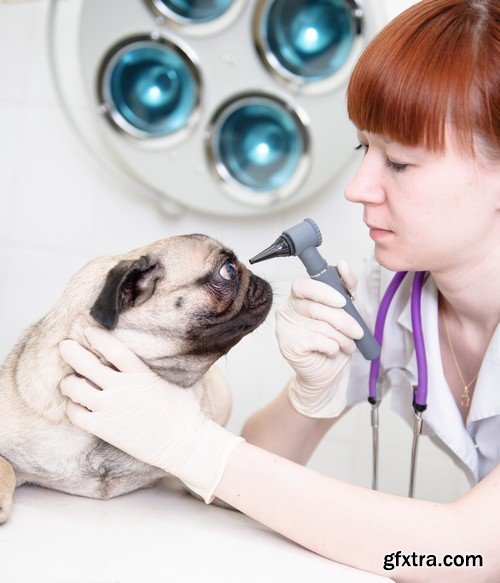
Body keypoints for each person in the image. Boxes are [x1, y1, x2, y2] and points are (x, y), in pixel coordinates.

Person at [58, 0, 499, 580]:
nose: (358, 188)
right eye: (365, 149)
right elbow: (256, 474)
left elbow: (467, 555)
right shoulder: (392, 294)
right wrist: (310, 393)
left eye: (401, 163)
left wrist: (193, 445)